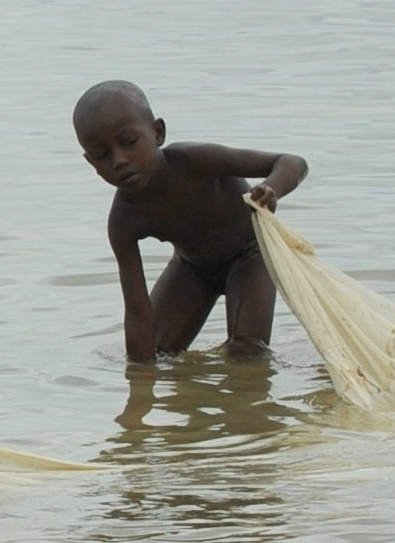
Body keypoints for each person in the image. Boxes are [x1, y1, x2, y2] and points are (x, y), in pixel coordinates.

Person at [73, 81, 308, 363]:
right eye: (102, 155)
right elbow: (137, 311)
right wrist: (139, 382)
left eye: (129, 142)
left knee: (247, 354)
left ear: (157, 132)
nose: (120, 160)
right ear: (90, 162)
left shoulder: (196, 161)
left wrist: (272, 188)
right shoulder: (124, 220)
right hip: (192, 270)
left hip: (251, 255)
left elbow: (291, 162)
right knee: (155, 356)